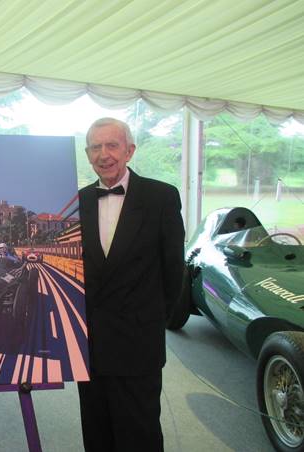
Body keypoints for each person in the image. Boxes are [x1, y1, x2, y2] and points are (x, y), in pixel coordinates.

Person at [77, 118, 185, 451]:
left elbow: (173, 272)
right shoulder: (77, 202)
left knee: (140, 433)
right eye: (96, 147)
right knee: (97, 431)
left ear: (129, 150)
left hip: (138, 343)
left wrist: (150, 322)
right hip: (90, 344)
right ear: (87, 154)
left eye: (112, 145)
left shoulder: (161, 197)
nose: (104, 154)